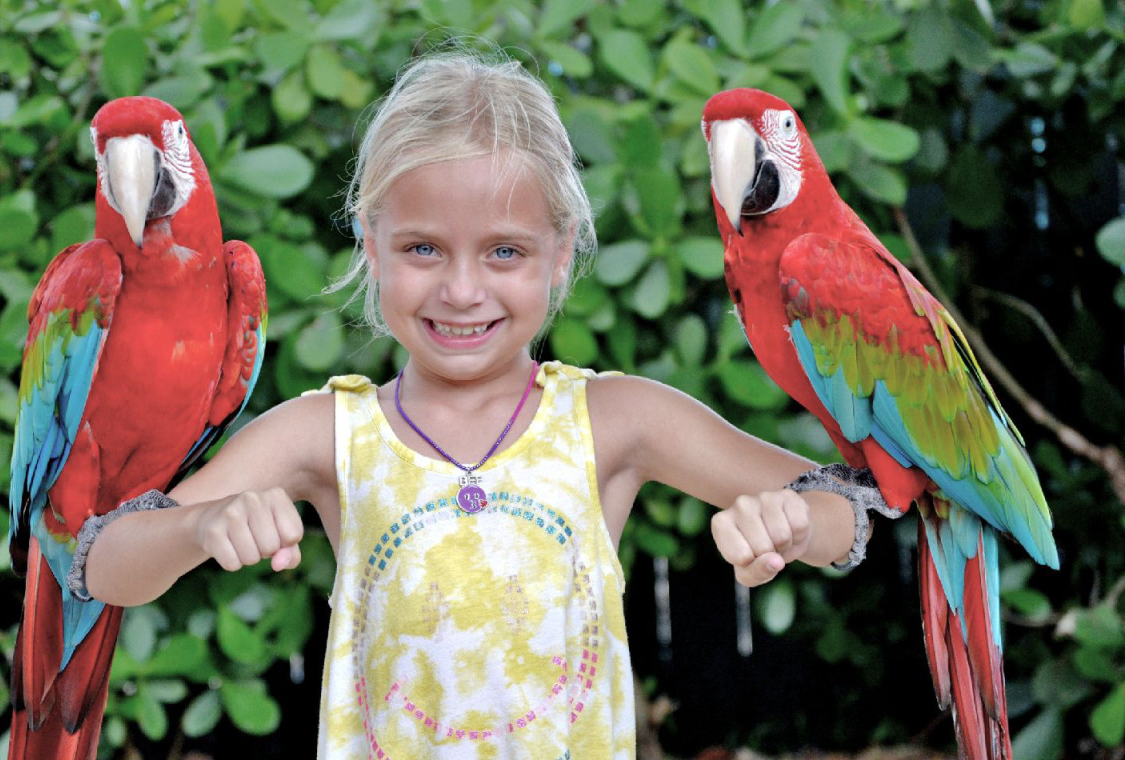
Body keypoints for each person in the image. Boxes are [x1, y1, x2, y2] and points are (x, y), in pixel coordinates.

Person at [75, 49, 884, 758]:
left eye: (505, 251)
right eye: (423, 248)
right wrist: (197, 525)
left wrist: (794, 523)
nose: (462, 291)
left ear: (560, 255)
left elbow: (847, 511)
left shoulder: (615, 420)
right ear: (370, 246)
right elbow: (108, 565)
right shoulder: (328, 433)